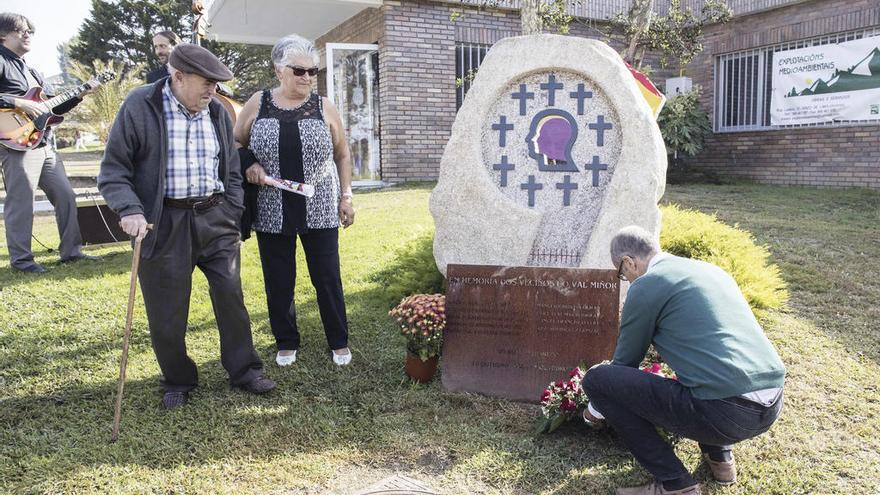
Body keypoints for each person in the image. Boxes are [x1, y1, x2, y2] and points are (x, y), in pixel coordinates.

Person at [99, 43, 276, 409]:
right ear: (178, 77)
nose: (213, 91)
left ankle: (244, 370)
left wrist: (232, 209)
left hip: (216, 217)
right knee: (167, 308)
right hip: (162, 221)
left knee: (231, 297)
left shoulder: (217, 112)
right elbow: (114, 170)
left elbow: (229, 167)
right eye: (207, 84)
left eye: (216, 85)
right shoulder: (140, 105)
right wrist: (131, 209)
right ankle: (177, 379)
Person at [582, 225, 786, 495]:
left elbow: (624, 365)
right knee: (698, 370)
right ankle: (720, 460)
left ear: (628, 262)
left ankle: (675, 484)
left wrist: (593, 412)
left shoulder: (647, 285)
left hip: (724, 412)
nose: (627, 279)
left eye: (622, 274)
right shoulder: (710, 270)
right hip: (772, 404)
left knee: (598, 379)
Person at [233, 34, 355, 368]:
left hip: (320, 205)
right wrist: (250, 164)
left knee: (327, 276)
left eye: (313, 71)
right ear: (278, 70)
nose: (307, 78)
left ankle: (338, 340)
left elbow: (343, 155)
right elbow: (235, 143)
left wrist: (346, 197)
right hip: (273, 207)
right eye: (298, 70)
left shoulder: (324, 106)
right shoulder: (258, 103)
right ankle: (286, 341)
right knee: (278, 278)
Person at [0, 12, 98, 273]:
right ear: (3, 35)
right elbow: (21, 103)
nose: (27, 34)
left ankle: (71, 251)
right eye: (20, 30)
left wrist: (80, 94)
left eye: (29, 31)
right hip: (16, 145)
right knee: (21, 203)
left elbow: (49, 107)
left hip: (45, 145)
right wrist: (17, 101)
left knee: (65, 196)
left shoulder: (31, 70)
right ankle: (22, 262)